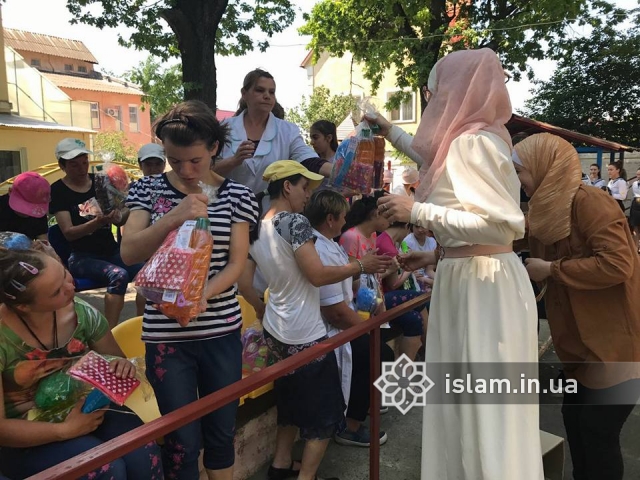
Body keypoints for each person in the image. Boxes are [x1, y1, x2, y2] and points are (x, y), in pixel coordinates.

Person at [377, 48, 543, 480]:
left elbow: (503, 225)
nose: (432, 100)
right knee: (468, 408)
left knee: (484, 410)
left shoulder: (473, 143)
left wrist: (416, 212)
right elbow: (428, 157)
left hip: (482, 288)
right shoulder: (472, 140)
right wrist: (437, 254)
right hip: (470, 278)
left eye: (436, 91)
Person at [122, 100, 259, 480]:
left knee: (221, 433)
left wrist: (203, 296)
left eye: (194, 160)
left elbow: (236, 264)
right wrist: (175, 214)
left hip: (219, 332)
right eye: (173, 160)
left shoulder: (238, 197)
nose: (184, 170)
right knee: (180, 440)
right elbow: (129, 250)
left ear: (214, 148)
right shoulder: (147, 190)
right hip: (167, 338)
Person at [247, 160, 391, 480]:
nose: (307, 195)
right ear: (287, 186)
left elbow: (245, 279)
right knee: (325, 416)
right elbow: (317, 275)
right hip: (305, 333)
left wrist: (261, 308)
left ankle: (281, 465)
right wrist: (360, 267)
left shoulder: (259, 225)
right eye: (304, 187)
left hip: (276, 329)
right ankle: (307, 476)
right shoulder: (296, 223)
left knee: (290, 403)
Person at [513, 133, 640, 480]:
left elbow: (618, 264)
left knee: (598, 434)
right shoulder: (544, 208)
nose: (518, 180)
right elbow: (501, 237)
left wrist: (552, 269)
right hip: (578, 348)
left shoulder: (590, 202)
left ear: (543, 168)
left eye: (520, 171)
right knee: (576, 425)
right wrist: (440, 252)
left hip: (614, 347)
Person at [0, 248, 162, 479]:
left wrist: (121, 366)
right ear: (25, 307)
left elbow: (116, 359)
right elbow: (2, 429)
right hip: (27, 432)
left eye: (64, 273)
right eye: (57, 291)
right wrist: (63, 431)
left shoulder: (82, 313)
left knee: (143, 451)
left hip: (88, 408)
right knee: (106, 470)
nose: (71, 286)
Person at [305, 189, 394, 448]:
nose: (347, 221)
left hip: (347, 318)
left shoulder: (329, 243)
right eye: (343, 216)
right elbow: (334, 309)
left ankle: (359, 410)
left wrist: (366, 272)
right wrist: (366, 328)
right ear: (331, 219)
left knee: (380, 353)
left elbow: (347, 282)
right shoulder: (321, 247)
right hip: (332, 328)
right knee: (375, 352)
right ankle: (349, 426)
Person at [49, 138, 143, 329]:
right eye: (74, 165)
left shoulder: (100, 180)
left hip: (111, 251)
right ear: (62, 166)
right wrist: (97, 222)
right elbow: (68, 233)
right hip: (82, 257)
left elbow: (124, 212)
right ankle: (108, 331)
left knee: (147, 272)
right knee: (118, 275)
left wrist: (118, 217)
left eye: (84, 162)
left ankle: (141, 325)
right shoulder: (58, 190)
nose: (81, 168)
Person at [214, 69, 332, 197]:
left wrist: (341, 172)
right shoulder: (224, 128)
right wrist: (233, 161)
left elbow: (308, 160)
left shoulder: (288, 131)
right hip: (228, 209)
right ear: (244, 94)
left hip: (270, 211)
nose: (267, 96)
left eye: (272, 92)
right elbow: (205, 171)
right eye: (260, 90)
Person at [340, 193, 427, 361]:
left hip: (375, 299)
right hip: (361, 303)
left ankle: (412, 366)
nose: (391, 222)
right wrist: (393, 269)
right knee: (419, 302)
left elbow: (375, 274)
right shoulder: (351, 237)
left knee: (416, 314)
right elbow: (350, 278)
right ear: (376, 214)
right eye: (388, 216)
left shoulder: (372, 236)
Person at [0, 171, 50, 241]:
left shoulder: (38, 213)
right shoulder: (2, 206)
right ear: (10, 192)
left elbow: (43, 240)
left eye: (32, 208)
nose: (26, 212)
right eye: (22, 206)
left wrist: (42, 247)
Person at [629, 168, 640, 252]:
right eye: (637, 174)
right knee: (635, 226)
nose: (638, 176)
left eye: (639, 174)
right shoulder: (635, 184)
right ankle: (635, 247)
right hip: (635, 205)